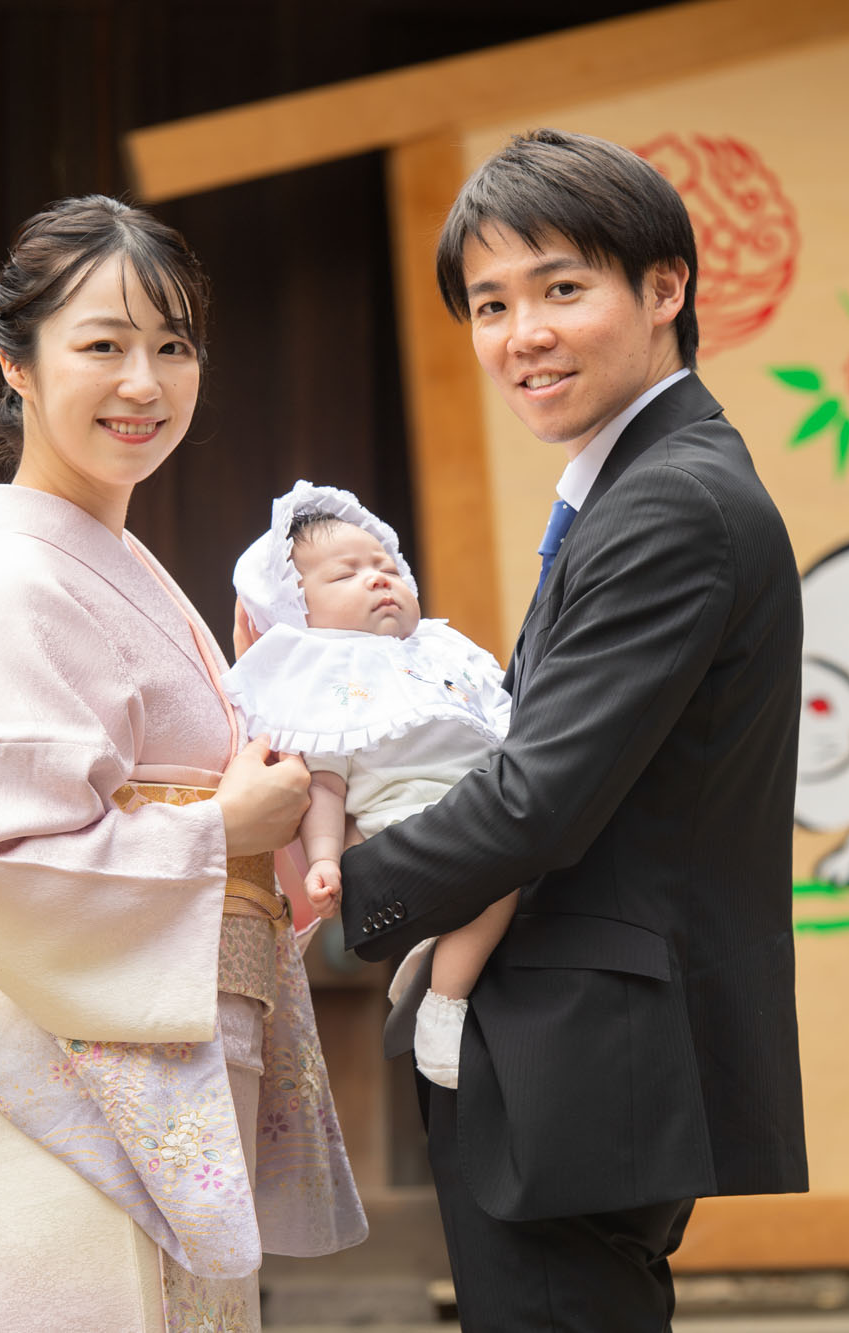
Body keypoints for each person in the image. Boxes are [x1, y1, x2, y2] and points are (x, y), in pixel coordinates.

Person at [336, 128, 810, 1331]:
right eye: (489, 304)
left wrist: (338, 895)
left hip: (583, 1051)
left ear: (664, 288)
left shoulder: (671, 505)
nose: (520, 336)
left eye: (560, 288)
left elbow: (534, 797)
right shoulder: (636, 485)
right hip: (583, 1050)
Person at [0, 196, 365, 1332]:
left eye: (172, 345)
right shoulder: (15, 574)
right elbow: (9, 861)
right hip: (75, 1096)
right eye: (102, 345)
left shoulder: (118, 564)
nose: (144, 383)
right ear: (16, 362)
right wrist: (222, 827)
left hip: (168, 1068)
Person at [221, 481, 517, 1087]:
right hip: (402, 826)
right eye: (346, 575)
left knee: (516, 868)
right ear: (297, 610)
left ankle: (433, 962)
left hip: (486, 802)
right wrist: (324, 859)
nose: (379, 578)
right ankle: (444, 1001)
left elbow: (511, 725)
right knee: (502, 877)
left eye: (388, 568)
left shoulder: (441, 652)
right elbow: (323, 786)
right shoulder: (320, 678)